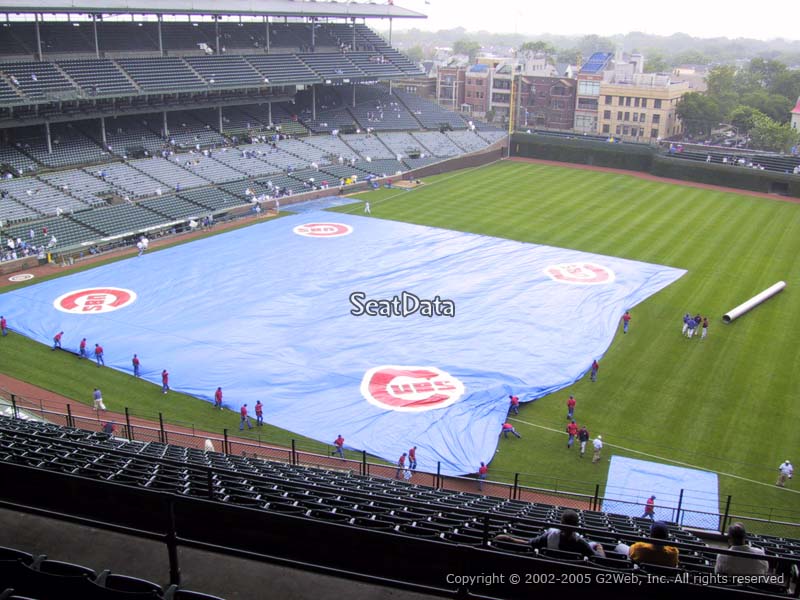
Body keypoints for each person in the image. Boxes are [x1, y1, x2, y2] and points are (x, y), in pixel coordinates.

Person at [495, 510, 605, 558]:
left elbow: (527, 544)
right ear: (576, 526)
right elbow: (600, 559)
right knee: (594, 544)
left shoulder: (549, 536)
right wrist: (599, 547)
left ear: (561, 523)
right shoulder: (581, 543)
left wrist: (509, 539)